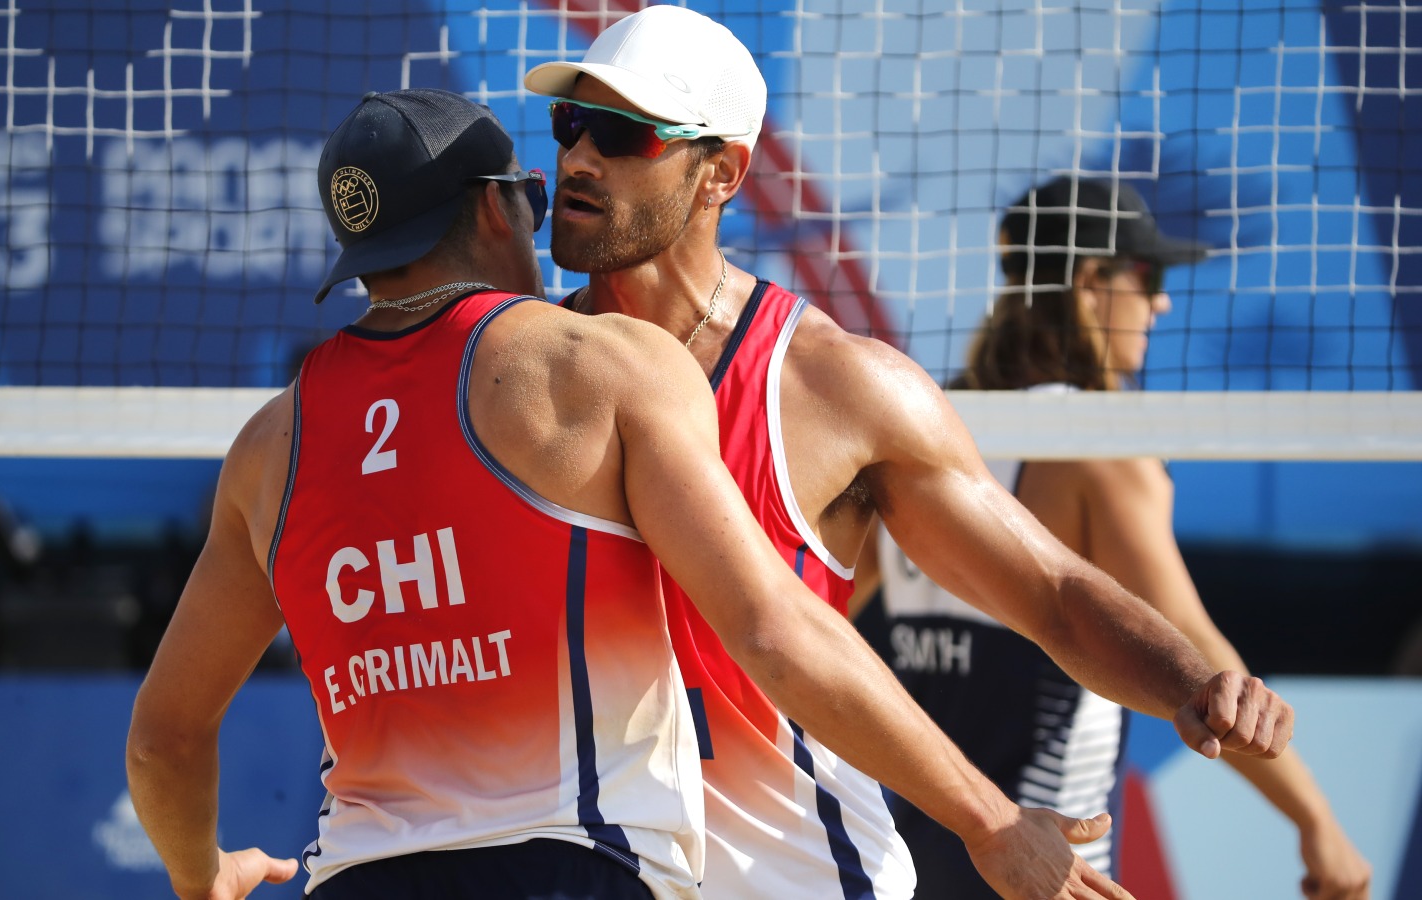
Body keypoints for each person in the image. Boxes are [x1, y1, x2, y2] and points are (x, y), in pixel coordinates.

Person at [125, 89, 1141, 900]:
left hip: (354, 876)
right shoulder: (599, 366)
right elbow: (773, 630)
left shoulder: (271, 446)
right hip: (571, 867)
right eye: (533, 178)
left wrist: (197, 876)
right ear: (494, 206)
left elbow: (164, 737)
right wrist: (989, 821)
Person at [524, 7, 1295, 899]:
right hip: (590, 866)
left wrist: (1197, 686)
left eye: (623, 133)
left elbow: (1050, 593)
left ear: (722, 174)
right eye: (571, 124)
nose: (579, 159)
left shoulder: (830, 386)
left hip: (790, 872)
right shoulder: (518, 367)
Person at [851, 175, 1371, 899]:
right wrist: (1318, 821)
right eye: (1147, 275)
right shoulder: (1099, 454)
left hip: (914, 864)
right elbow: (1194, 656)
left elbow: (818, 614)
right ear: (1092, 280)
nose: (1160, 302)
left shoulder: (923, 434)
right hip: (1050, 865)